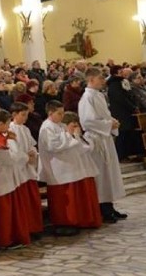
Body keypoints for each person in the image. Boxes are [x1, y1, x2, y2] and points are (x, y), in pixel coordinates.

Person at [38, 104, 103, 235]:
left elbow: (72, 142)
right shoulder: (46, 127)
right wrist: (69, 135)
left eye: (63, 113)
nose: (62, 117)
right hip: (58, 167)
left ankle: (77, 221)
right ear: (50, 113)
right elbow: (53, 146)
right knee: (63, 198)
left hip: (69, 165)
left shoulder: (61, 125)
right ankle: (64, 223)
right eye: (59, 114)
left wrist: (73, 136)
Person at [79, 67, 127, 223]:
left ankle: (110, 206)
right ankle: (102, 208)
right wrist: (108, 125)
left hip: (104, 138)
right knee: (101, 176)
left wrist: (112, 122)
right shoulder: (87, 98)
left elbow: (103, 116)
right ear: (91, 79)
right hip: (96, 140)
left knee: (109, 174)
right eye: (100, 78)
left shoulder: (98, 95)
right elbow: (87, 121)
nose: (103, 81)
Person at [0, 111, 31, 249]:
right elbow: (11, 159)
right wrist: (23, 155)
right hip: (1, 181)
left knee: (9, 212)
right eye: (6, 123)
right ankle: (4, 241)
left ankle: (11, 237)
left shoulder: (0, 136)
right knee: (4, 213)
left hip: (8, 179)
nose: (8, 126)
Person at [8, 102, 43, 237]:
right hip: (20, 170)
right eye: (23, 115)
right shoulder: (10, 130)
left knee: (32, 200)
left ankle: (34, 228)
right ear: (14, 115)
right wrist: (26, 157)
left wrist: (33, 153)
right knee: (24, 202)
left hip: (29, 169)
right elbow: (14, 152)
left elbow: (32, 145)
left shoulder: (25, 129)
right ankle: (26, 229)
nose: (25, 118)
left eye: (26, 115)